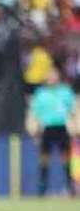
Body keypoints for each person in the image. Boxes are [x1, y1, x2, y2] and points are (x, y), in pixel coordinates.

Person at [28, 68, 76, 196]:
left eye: (54, 76)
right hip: (47, 128)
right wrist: (35, 130)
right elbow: (35, 113)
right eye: (49, 76)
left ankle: (70, 187)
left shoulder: (65, 92)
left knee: (66, 159)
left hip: (61, 127)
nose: (52, 78)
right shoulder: (41, 93)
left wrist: (75, 128)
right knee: (44, 160)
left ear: (58, 77)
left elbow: (73, 111)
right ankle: (42, 188)